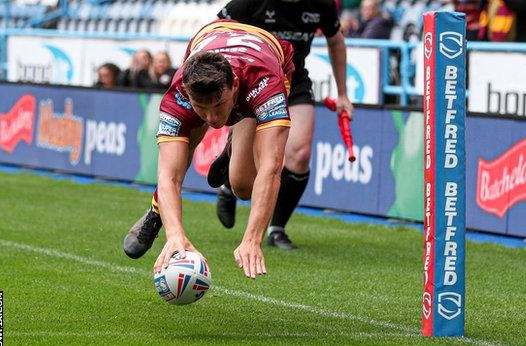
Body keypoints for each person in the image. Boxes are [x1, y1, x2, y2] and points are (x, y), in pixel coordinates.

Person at [123, 19, 295, 279]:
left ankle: (231, 146)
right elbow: (169, 175)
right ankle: (156, 211)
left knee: (243, 187)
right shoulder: (178, 94)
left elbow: (271, 170)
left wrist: (252, 239)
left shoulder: (265, 85)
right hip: (208, 37)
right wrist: (175, 235)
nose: (212, 118)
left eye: (218, 105)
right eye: (201, 107)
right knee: (183, 150)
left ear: (234, 86)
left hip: (268, 58)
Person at [215, 0, 354, 249]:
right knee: (243, 185)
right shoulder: (248, 3)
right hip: (253, 83)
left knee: (299, 155)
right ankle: (228, 177)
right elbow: (218, 32)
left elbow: (336, 41)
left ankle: (277, 229)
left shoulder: (322, 4)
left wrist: (343, 94)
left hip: (294, 81)